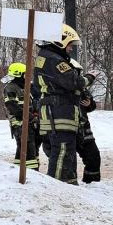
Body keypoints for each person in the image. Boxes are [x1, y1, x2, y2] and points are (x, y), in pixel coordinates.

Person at [34, 24, 87, 185]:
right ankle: (58, 187)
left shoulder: (46, 57)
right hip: (59, 114)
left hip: (55, 114)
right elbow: (73, 81)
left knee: (65, 153)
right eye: (69, 44)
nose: (70, 49)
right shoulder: (53, 60)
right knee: (62, 152)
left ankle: (69, 185)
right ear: (59, 42)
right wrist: (88, 79)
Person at [1, 62, 41, 171]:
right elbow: (12, 106)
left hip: (28, 123)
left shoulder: (23, 88)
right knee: (28, 151)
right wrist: (30, 117)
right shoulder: (10, 88)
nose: (27, 77)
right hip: (20, 124)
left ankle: (18, 170)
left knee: (26, 150)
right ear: (18, 75)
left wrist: (35, 113)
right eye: (25, 75)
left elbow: (31, 104)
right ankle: (31, 173)